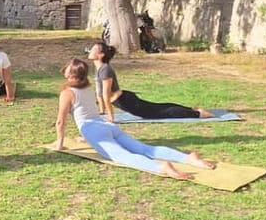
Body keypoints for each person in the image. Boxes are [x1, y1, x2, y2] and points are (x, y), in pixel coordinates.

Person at [55, 57, 215, 179]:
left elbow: (61, 121)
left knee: (122, 156)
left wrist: (59, 144)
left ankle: (162, 168)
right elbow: (87, 111)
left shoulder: (67, 93)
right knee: (144, 148)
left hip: (94, 129)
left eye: (68, 67)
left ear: (71, 73)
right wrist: (86, 138)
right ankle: (187, 158)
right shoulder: (87, 87)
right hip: (106, 126)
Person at [87, 41, 215, 120]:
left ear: (101, 55)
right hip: (123, 100)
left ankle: (198, 114)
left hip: (125, 101)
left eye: (93, 49)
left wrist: (110, 117)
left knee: (158, 112)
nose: (90, 50)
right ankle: (192, 109)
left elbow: (106, 94)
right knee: (158, 108)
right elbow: (99, 93)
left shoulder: (105, 70)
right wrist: (102, 111)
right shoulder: (100, 68)